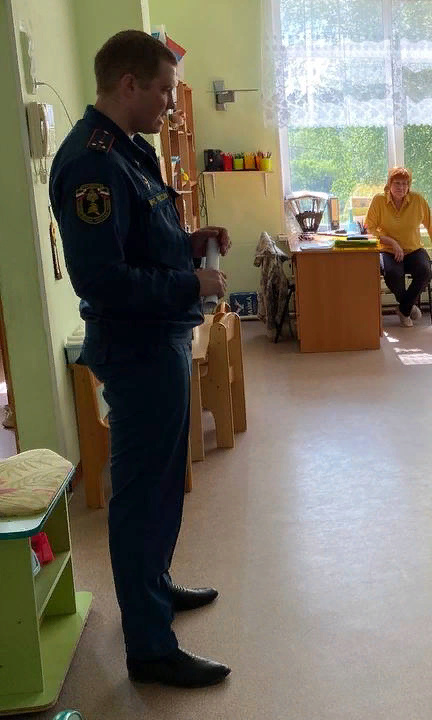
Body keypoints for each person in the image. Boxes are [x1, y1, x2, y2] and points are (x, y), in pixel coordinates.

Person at [49, 30, 230, 687]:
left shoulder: (130, 150)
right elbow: (103, 281)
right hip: (138, 347)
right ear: (128, 84)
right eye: (162, 91)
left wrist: (191, 244)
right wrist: (191, 283)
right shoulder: (91, 164)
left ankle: (154, 587)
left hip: (161, 339)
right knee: (141, 497)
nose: (168, 104)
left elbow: (145, 240)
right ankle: (150, 649)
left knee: (161, 486)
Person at [365, 167, 432, 327]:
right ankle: (409, 307)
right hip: (388, 251)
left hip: (413, 249)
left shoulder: (417, 200)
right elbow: (370, 228)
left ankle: (404, 309)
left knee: (425, 272)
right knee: (393, 274)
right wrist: (392, 242)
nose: (401, 187)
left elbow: (431, 227)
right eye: (397, 183)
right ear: (389, 184)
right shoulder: (379, 200)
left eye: (405, 184)